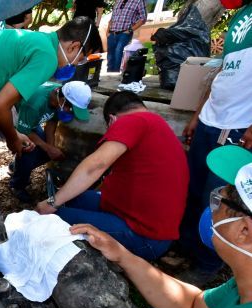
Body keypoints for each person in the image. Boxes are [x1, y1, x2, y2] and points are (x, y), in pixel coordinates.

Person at [31, 144, 252, 308]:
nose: (212, 208)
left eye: (220, 199)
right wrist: (124, 256)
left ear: (243, 230)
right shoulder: (244, 287)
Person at [0, 17, 103, 259]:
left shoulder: (34, 41)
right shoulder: (46, 57)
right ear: (74, 47)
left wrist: (16, 133)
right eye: (84, 57)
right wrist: (13, 139)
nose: (81, 63)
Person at [35, 91, 188, 260]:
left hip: (145, 237)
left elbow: (96, 166)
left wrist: (52, 202)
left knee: (53, 218)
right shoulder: (156, 123)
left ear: (112, 119)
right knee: (73, 198)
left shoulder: (131, 121)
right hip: (139, 219)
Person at [179, 0, 252, 285]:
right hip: (211, 119)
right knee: (193, 187)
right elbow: (222, 73)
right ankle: (185, 244)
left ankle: (207, 264)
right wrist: (198, 114)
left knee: (218, 199)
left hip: (236, 126)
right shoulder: (240, 17)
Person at [9, 81, 92, 203]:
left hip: (30, 122)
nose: (71, 112)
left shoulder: (59, 97)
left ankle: (18, 167)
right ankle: (17, 185)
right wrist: (47, 147)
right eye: (71, 109)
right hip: (15, 121)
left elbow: (51, 123)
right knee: (29, 152)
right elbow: (23, 132)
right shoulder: (35, 104)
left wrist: (51, 148)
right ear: (63, 100)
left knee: (45, 153)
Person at [106, 0, 146, 72]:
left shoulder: (138, 1)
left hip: (124, 33)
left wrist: (130, 30)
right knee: (110, 57)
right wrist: (108, 31)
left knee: (119, 54)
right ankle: (109, 76)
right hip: (112, 33)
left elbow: (143, 18)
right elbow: (112, 17)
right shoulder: (118, 1)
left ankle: (115, 76)